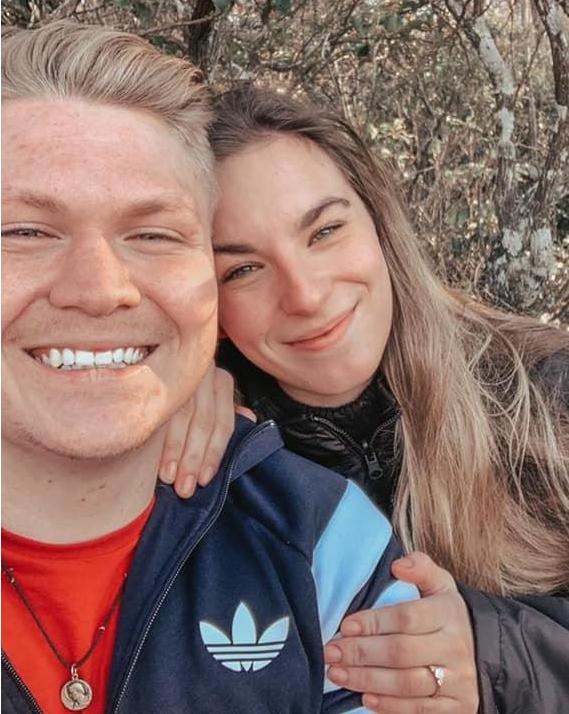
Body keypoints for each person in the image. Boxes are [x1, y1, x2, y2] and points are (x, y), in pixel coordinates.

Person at [168, 84, 569, 713]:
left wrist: (494, 660)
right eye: (242, 270)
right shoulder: (216, 464)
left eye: (325, 231)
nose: (306, 295)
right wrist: (164, 398)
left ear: (380, 225)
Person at [1, 22, 420, 714]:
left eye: (153, 234)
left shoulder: (323, 545)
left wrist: (490, 649)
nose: (99, 289)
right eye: (24, 232)